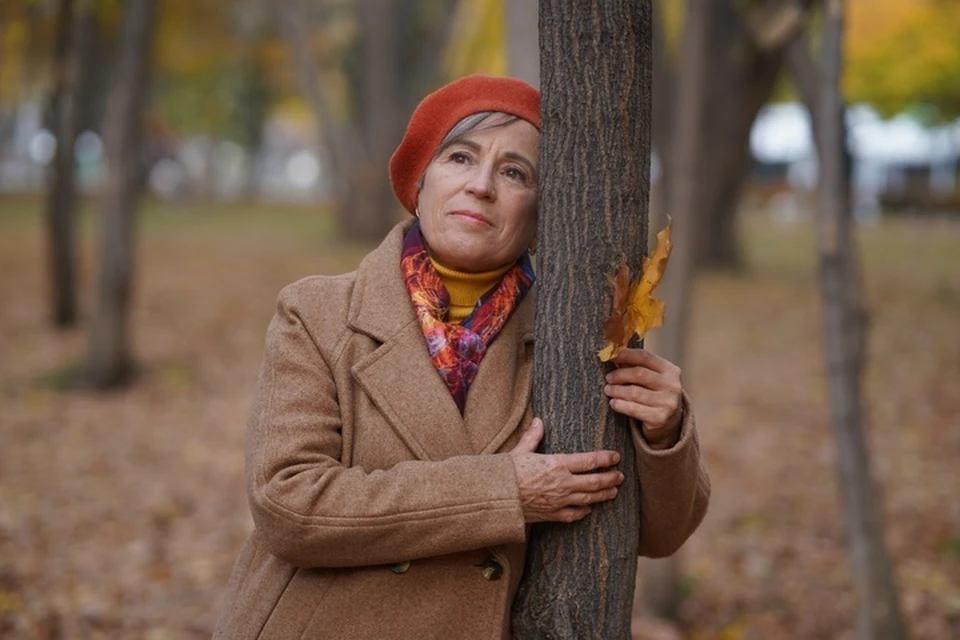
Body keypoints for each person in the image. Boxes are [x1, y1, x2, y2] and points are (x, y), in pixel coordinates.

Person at [213, 74, 709, 640]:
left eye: (514, 172)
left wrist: (664, 433)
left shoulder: (574, 342)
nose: (481, 186)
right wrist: (504, 492)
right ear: (420, 182)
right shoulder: (317, 313)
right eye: (460, 157)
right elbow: (289, 506)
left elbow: (659, 537)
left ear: (542, 213)